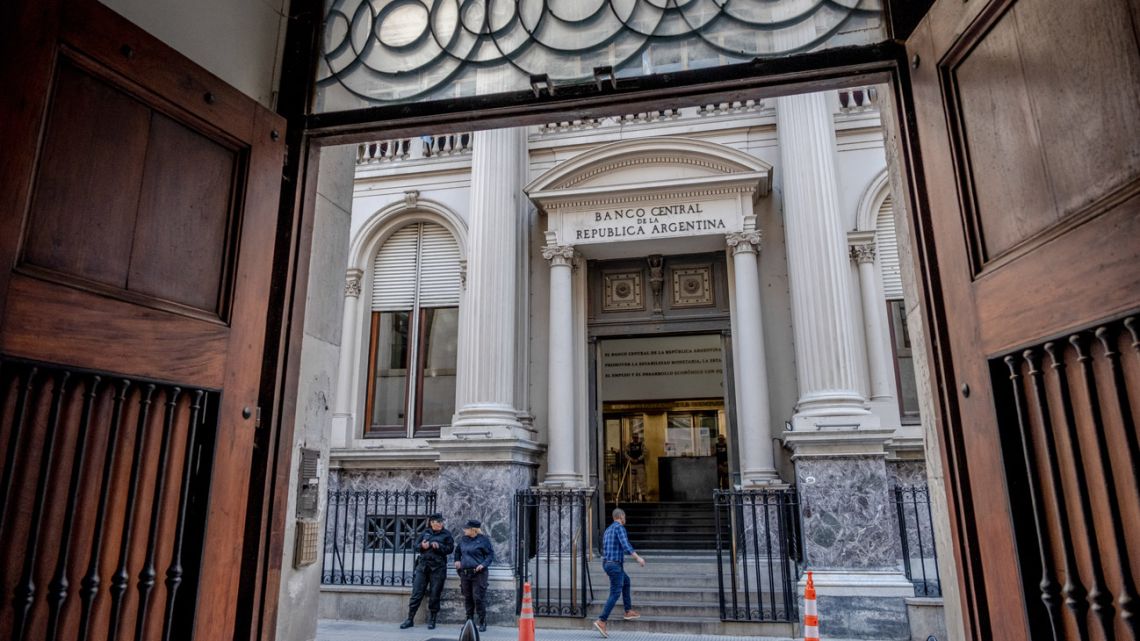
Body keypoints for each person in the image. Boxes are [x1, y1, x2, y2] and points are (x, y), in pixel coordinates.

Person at [593, 508, 645, 638]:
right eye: (624, 516)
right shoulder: (619, 528)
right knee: (615, 593)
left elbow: (605, 549)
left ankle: (628, 611)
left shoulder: (608, 530)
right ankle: (601, 621)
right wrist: (638, 558)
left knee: (626, 582)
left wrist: (607, 567)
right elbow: (626, 545)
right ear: (621, 516)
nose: (625, 519)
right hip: (615, 565)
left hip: (609, 563)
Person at [400, 513, 454, 630]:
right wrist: (422, 546)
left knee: (435, 594)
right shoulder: (425, 532)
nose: (440, 524)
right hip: (423, 567)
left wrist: (439, 546)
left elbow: (450, 549)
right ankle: (410, 619)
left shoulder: (446, 534)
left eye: (441, 522)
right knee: (416, 593)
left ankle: (432, 620)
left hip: (438, 568)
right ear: (432, 523)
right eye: (438, 522)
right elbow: (415, 546)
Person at [453, 518, 495, 632]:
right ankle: (469, 622)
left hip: (479, 574)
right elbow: (457, 552)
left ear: (473, 530)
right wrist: (457, 560)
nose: (464, 530)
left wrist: (483, 564)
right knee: (468, 598)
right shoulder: (463, 540)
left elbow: (490, 555)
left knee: (478, 598)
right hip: (465, 574)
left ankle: (482, 621)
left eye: (466, 528)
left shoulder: (483, 540)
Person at [625, 434, 645, 501]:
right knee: (632, 481)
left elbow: (644, 453)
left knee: (641, 480)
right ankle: (632, 495)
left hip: (640, 465)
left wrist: (638, 459)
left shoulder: (641, 445)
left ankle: (643, 495)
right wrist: (631, 459)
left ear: (638, 438)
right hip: (632, 465)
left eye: (636, 438)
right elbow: (625, 453)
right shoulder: (629, 445)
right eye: (634, 438)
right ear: (632, 438)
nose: (635, 439)